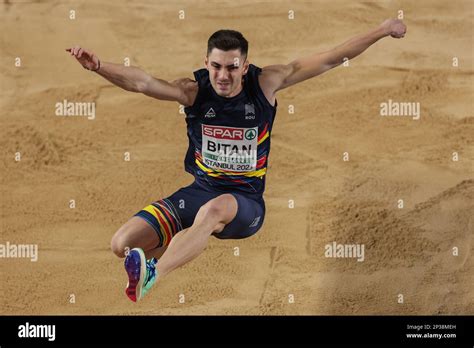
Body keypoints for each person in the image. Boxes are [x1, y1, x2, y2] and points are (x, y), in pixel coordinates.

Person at [66, 19, 406, 302]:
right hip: (200, 190)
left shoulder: (266, 84)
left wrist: (382, 29)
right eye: (215, 66)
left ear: (245, 66)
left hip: (244, 204)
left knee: (212, 213)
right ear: (206, 63)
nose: (223, 76)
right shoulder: (193, 92)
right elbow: (141, 82)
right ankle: (162, 252)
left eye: (231, 67)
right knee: (122, 244)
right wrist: (98, 67)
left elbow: (333, 57)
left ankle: (154, 272)